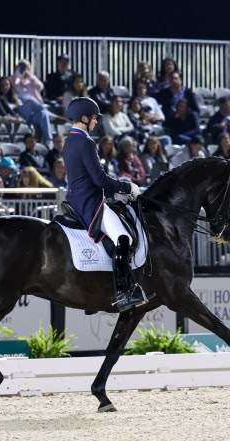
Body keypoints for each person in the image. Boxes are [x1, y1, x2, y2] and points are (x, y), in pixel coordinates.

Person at [62, 97, 149, 311]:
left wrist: (115, 191)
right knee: (124, 238)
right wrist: (127, 188)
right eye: (93, 118)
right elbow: (99, 179)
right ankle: (123, 293)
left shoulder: (69, 140)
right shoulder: (86, 143)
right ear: (84, 118)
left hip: (76, 198)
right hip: (90, 203)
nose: (95, 122)